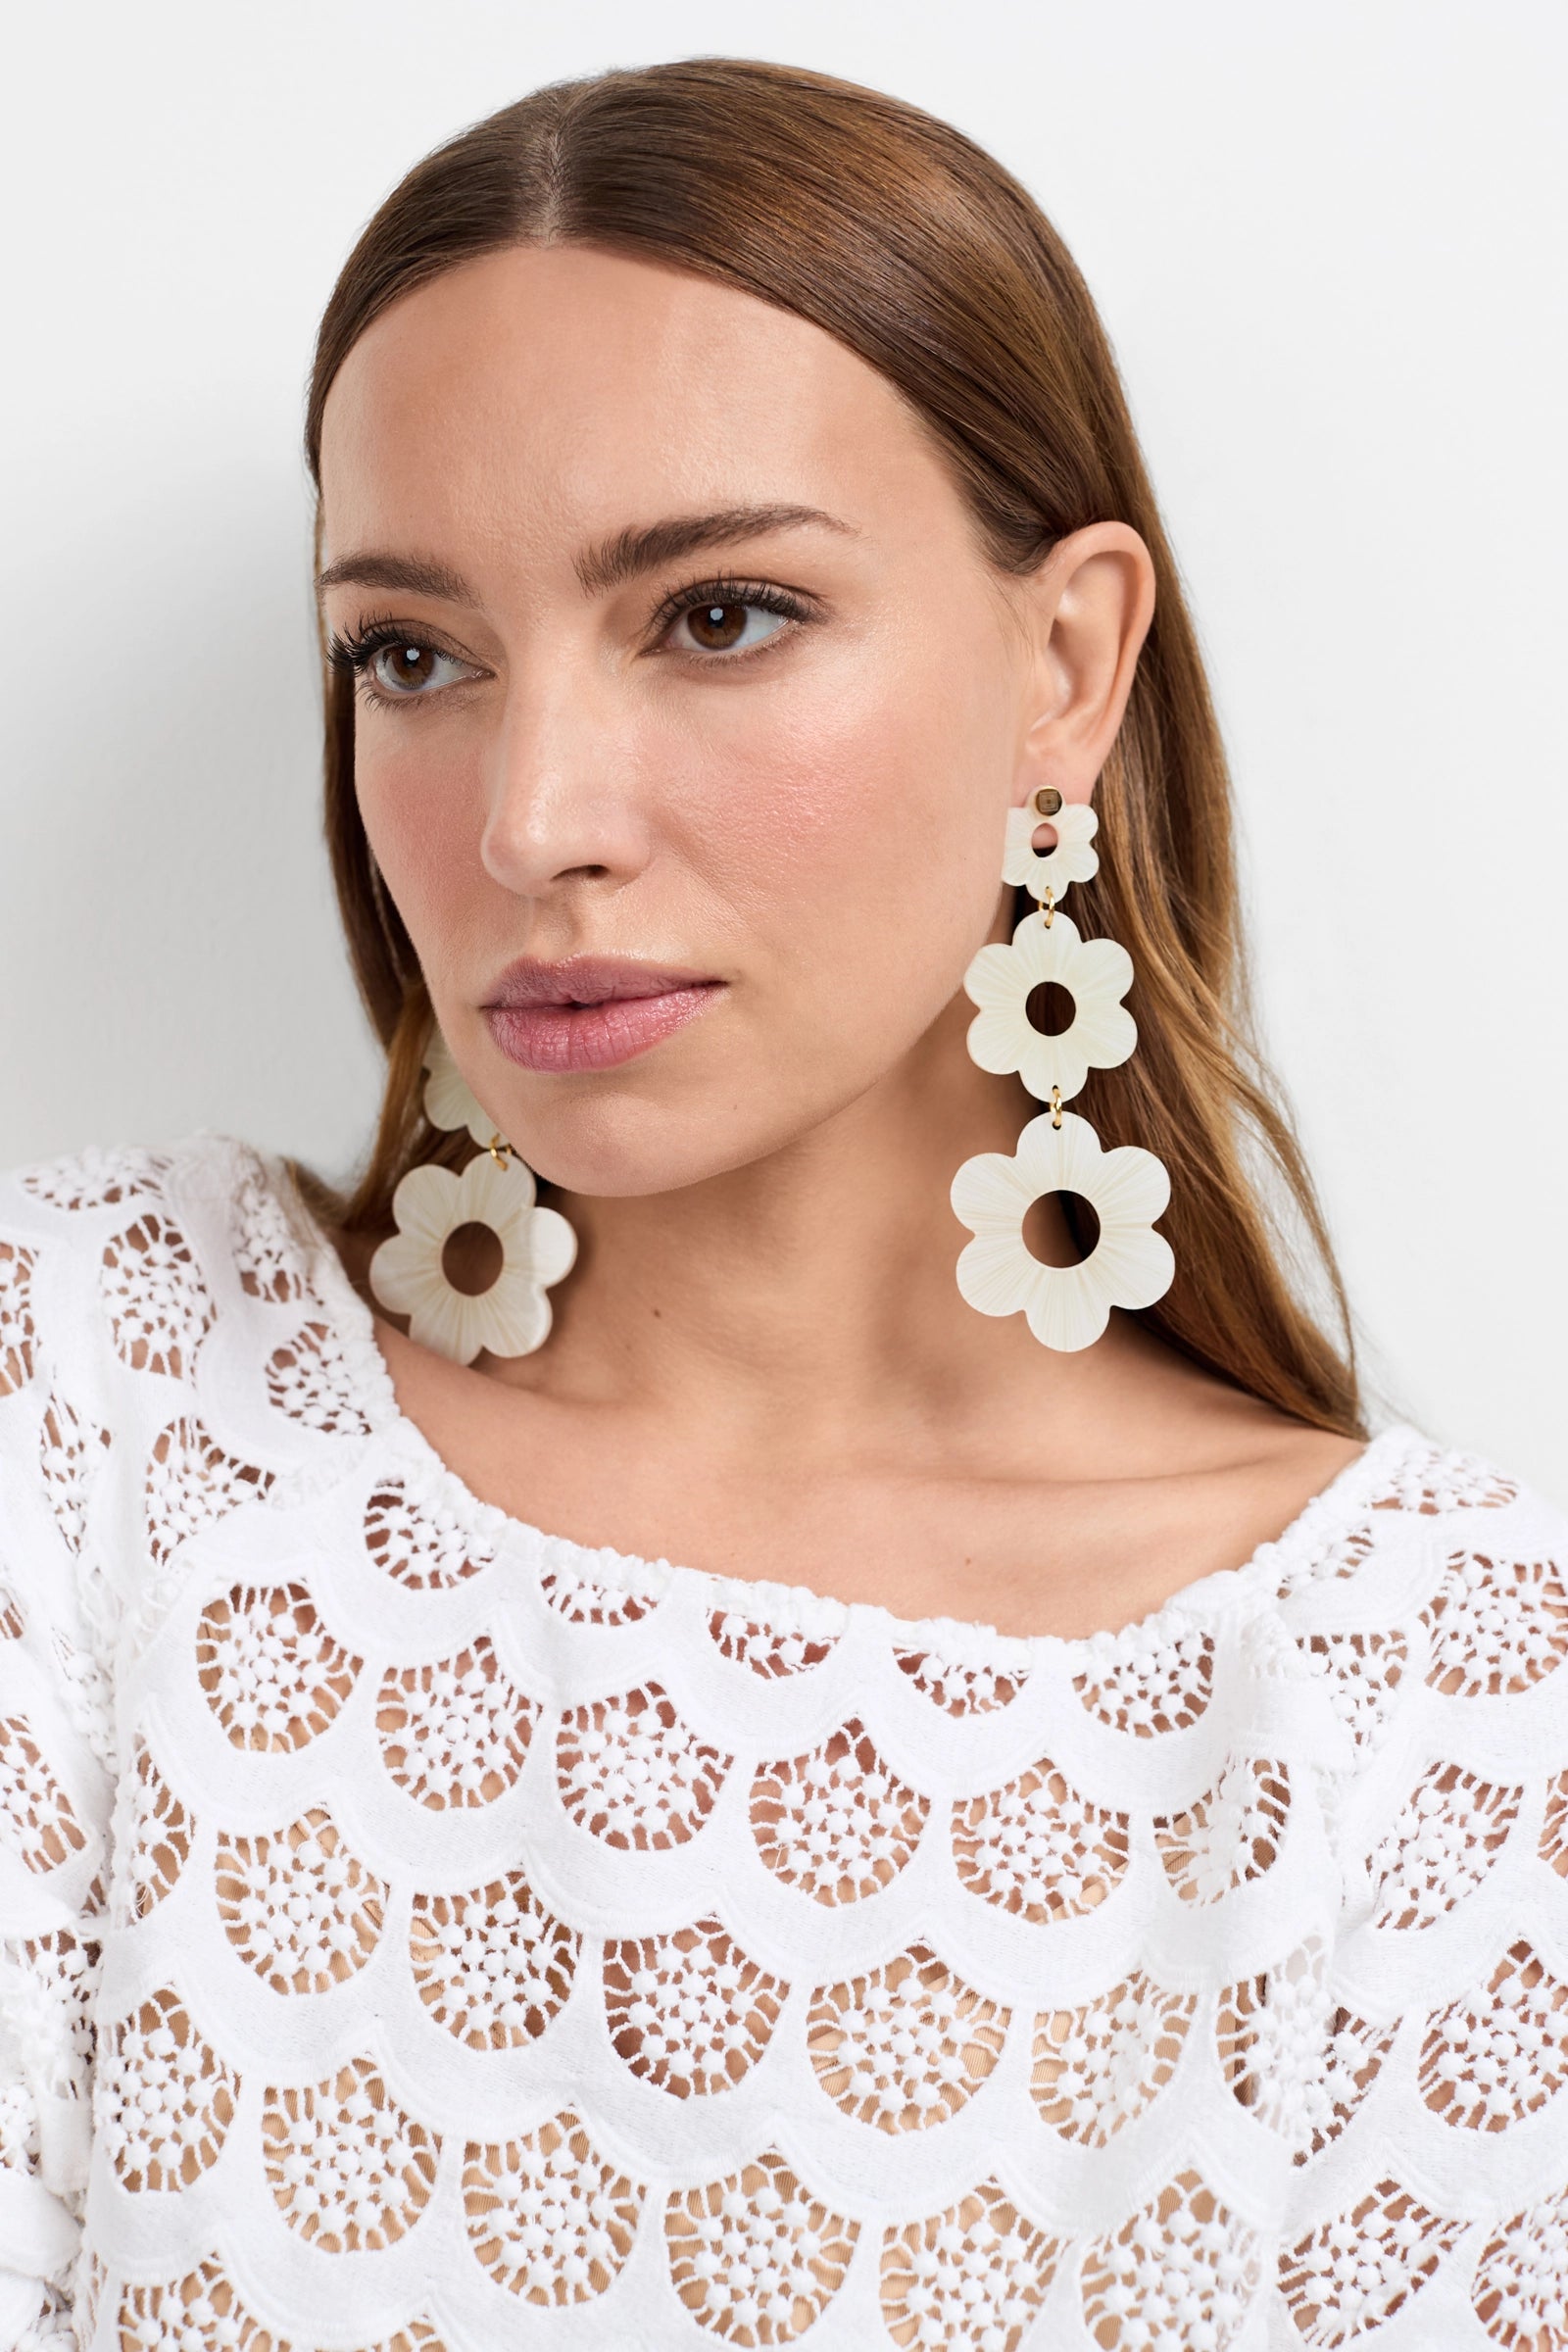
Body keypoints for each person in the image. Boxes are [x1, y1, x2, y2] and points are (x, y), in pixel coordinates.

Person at [1, 55, 1562, 2352]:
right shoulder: (105, 1403)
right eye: (408, 654)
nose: (530, 815)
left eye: (715, 615)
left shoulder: (1434, 1721)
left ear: (1065, 664)